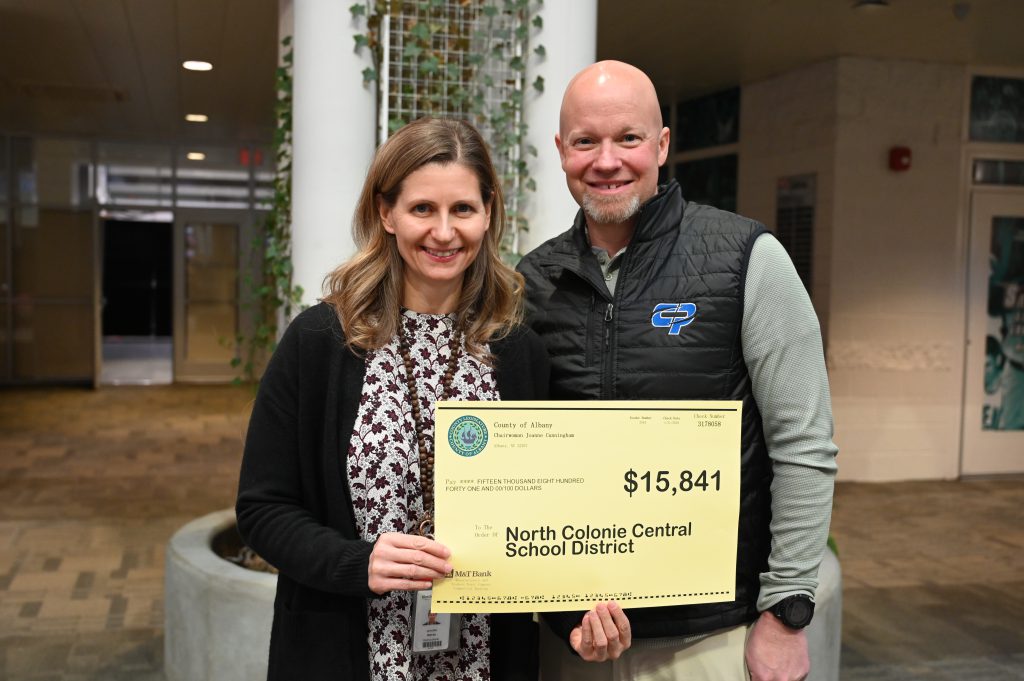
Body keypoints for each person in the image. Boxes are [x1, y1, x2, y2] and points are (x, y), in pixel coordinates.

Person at [236, 117, 625, 681]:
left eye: (462, 209)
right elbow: (262, 509)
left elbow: (538, 524)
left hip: (483, 659)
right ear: (386, 213)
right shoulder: (321, 342)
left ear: (488, 214)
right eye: (422, 209)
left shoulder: (517, 354)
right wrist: (356, 562)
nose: (444, 233)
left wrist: (577, 622)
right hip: (346, 651)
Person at [517, 61, 839, 681]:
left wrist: (786, 614)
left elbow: (804, 444)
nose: (606, 160)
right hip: (572, 639)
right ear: (561, 151)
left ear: (662, 145)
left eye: (628, 139)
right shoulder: (531, 281)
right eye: (586, 141)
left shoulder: (748, 260)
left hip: (708, 642)